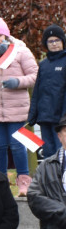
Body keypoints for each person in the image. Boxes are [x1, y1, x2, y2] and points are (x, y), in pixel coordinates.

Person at [0, 17, 38, 195]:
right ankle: (0, 182)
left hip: (16, 108)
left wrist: (17, 82)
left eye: (0, 35)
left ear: (6, 34)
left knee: (17, 145)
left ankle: (24, 182)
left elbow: (35, 75)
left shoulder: (20, 51)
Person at [28, 25, 66, 158]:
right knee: (49, 154)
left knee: (61, 153)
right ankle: (51, 179)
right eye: (50, 41)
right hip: (45, 118)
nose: (54, 44)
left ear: (63, 41)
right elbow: (37, 91)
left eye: (57, 40)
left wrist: (64, 117)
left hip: (61, 119)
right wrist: (32, 115)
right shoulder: (43, 65)